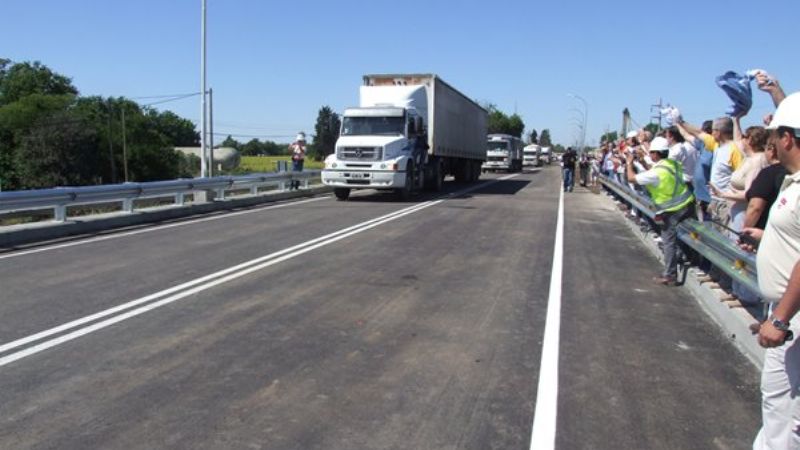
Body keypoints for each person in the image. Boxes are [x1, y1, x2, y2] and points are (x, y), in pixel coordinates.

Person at [740, 92, 800, 450]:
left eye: (775, 133)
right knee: (777, 407)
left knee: (785, 414)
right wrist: (765, 238)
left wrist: (778, 318)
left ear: (787, 138)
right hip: (786, 310)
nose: (771, 140)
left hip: (791, 316)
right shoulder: (792, 181)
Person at [625, 136, 694, 285]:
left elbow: (631, 178)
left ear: (656, 154)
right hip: (687, 205)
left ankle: (670, 275)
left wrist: (629, 164)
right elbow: (656, 171)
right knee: (683, 236)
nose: (649, 155)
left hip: (671, 210)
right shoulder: (672, 164)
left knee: (668, 241)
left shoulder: (657, 173)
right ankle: (682, 257)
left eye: (651, 153)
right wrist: (643, 162)